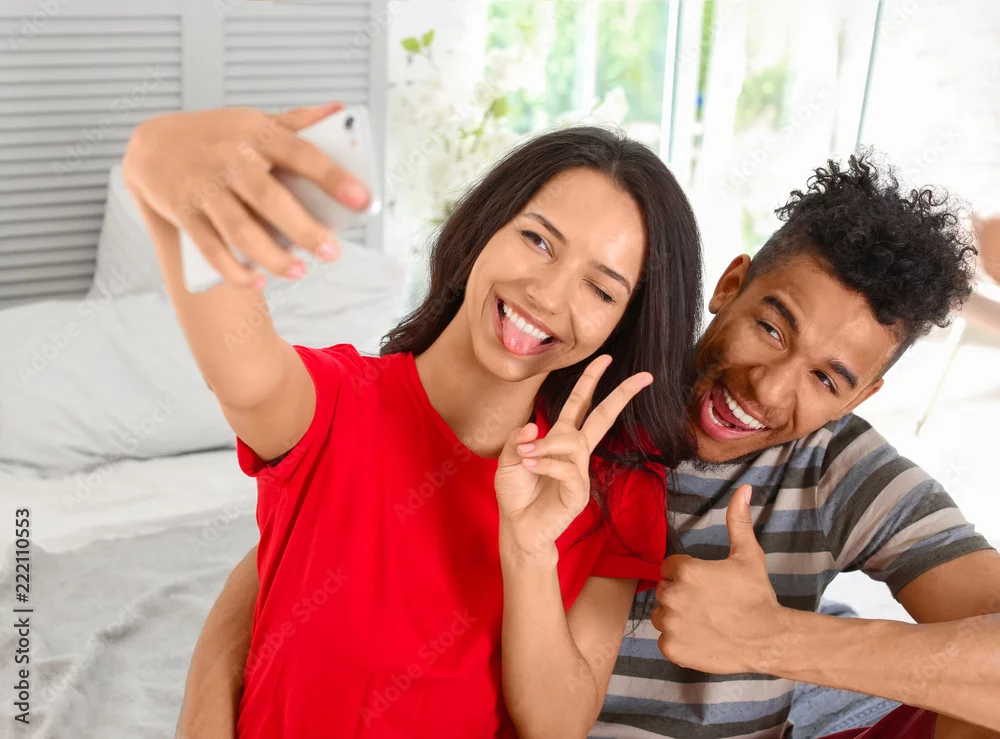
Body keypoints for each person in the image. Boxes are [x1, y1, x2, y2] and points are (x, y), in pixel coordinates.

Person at [121, 103, 705, 738]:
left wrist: (530, 554)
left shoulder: (613, 487)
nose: (548, 294)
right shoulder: (334, 404)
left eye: (602, 289)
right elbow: (242, 371)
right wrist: (155, 168)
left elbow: (558, 726)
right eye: (538, 240)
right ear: (486, 227)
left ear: (623, 324)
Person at [596, 154, 1000, 739]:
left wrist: (768, 637)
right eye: (772, 329)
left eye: (827, 380)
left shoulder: (837, 465)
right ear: (730, 286)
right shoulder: (594, 392)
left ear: (860, 397)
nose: (768, 388)